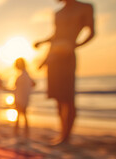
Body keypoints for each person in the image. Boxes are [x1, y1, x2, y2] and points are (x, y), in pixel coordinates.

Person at [34, 0, 95, 145]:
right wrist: (43, 45)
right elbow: (56, 35)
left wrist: (74, 45)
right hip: (53, 57)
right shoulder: (58, 13)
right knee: (58, 97)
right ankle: (62, 133)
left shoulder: (85, 7)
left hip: (67, 56)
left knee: (68, 97)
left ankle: (66, 136)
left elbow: (92, 32)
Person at [13, 58, 35, 137]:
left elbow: (16, 85)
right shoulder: (27, 75)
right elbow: (33, 84)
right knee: (24, 115)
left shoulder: (22, 75)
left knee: (19, 115)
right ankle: (25, 132)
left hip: (20, 98)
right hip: (25, 97)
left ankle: (17, 131)